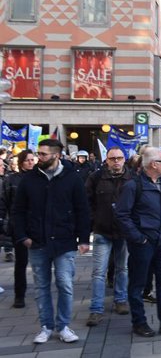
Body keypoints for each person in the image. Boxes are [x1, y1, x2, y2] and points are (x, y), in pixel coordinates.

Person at [12, 139, 91, 344]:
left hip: (64, 241)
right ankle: (46, 326)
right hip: (37, 242)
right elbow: (18, 210)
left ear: (56, 155)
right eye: (39, 154)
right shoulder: (29, 179)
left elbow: (83, 210)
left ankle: (63, 326)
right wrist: (23, 236)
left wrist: (83, 238)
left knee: (65, 284)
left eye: (43, 154)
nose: (39, 157)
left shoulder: (71, 178)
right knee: (41, 286)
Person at [115, 147, 161, 337]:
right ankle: (139, 322)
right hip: (143, 243)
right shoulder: (133, 186)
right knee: (138, 284)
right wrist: (139, 237)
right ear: (153, 165)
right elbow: (122, 215)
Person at [84, 146, 134, 327]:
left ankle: (121, 300)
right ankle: (96, 309)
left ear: (124, 159)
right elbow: (86, 202)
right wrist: (92, 222)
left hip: (123, 232)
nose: (116, 161)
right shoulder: (96, 177)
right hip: (102, 231)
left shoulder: (132, 178)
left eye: (119, 158)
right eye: (112, 158)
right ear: (106, 160)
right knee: (99, 272)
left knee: (123, 268)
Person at [0, 149, 36, 308]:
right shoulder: (11, 179)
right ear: (21, 162)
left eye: (32, 160)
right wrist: (3, 221)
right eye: (27, 160)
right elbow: (3, 202)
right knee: (21, 262)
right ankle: (19, 295)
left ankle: (41, 292)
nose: (30, 162)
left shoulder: (40, 178)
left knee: (40, 262)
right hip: (19, 226)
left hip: (37, 225)